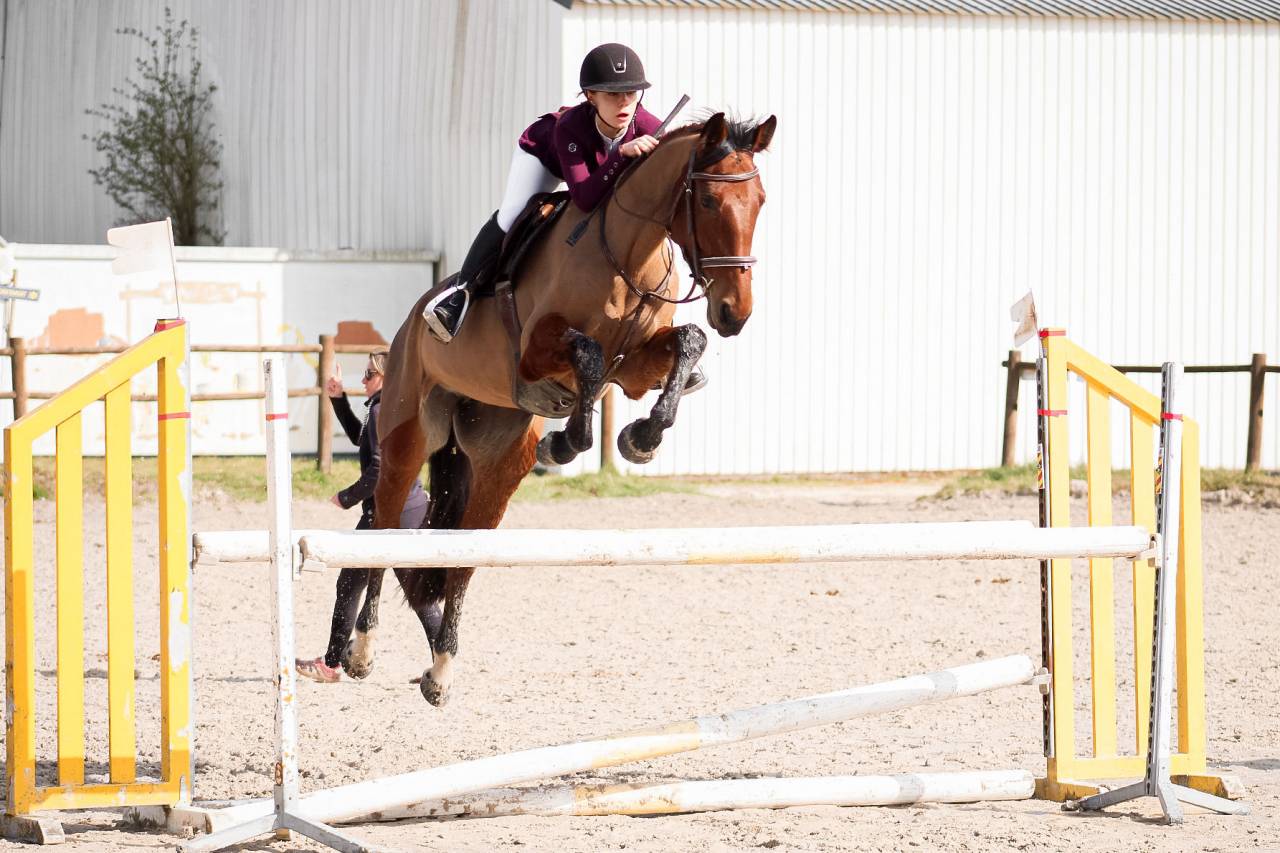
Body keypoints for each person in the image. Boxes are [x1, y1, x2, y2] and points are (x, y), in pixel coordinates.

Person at [423, 42, 659, 344]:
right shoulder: (570, 126)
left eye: (631, 93)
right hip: (544, 157)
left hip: (598, 169)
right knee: (511, 214)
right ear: (590, 95)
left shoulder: (650, 128)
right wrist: (621, 155)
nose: (624, 103)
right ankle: (460, 293)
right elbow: (585, 198)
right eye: (613, 94)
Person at [296, 350, 427, 683]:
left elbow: (379, 469)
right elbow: (361, 437)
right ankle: (444, 660)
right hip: (409, 509)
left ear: (387, 377)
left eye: (370, 374)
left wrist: (347, 497)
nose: (364, 379)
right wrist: (339, 399)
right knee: (415, 591)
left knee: (349, 583)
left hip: (387, 513)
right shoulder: (390, 407)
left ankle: (330, 664)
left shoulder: (382, 409)